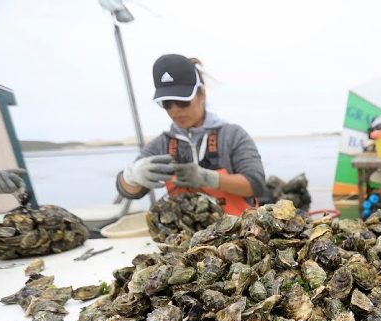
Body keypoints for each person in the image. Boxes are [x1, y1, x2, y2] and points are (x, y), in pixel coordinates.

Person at [115, 54, 269, 214]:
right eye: (167, 104)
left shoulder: (232, 135)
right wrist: (131, 175)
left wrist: (208, 178)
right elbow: (129, 191)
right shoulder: (162, 145)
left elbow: (255, 184)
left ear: (202, 94)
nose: (175, 110)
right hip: (184, 236)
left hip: (238, 234)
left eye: (182, 101)